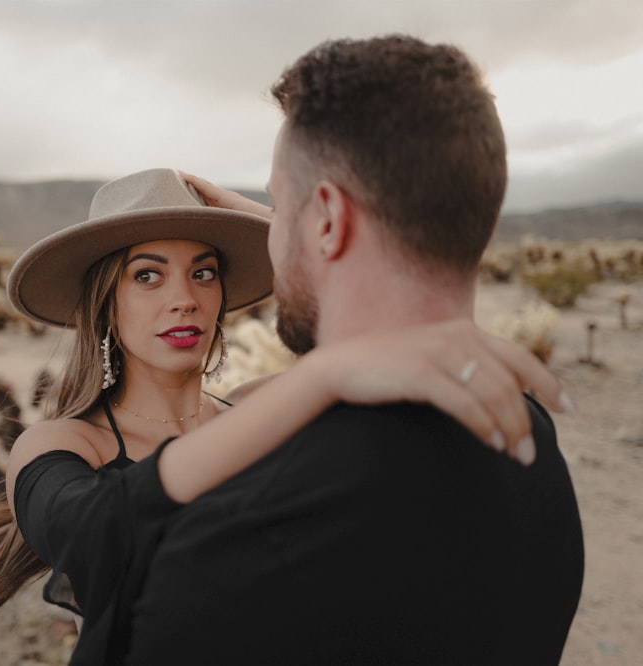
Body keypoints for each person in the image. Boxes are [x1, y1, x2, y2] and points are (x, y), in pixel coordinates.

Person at [89, 36, 584, 666]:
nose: (272, 241)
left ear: (326, 219)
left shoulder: (244, 536)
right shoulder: (530, 443)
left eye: (280, 207)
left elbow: (110, 542)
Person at [0, 167, 570, 661]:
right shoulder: (63, 444)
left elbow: (415, 339)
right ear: (105, 306)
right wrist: (323, 375)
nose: (185, 299)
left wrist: (277, 230)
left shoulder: (263, 409)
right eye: (147, 276)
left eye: (205, 272)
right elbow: (93, 533)